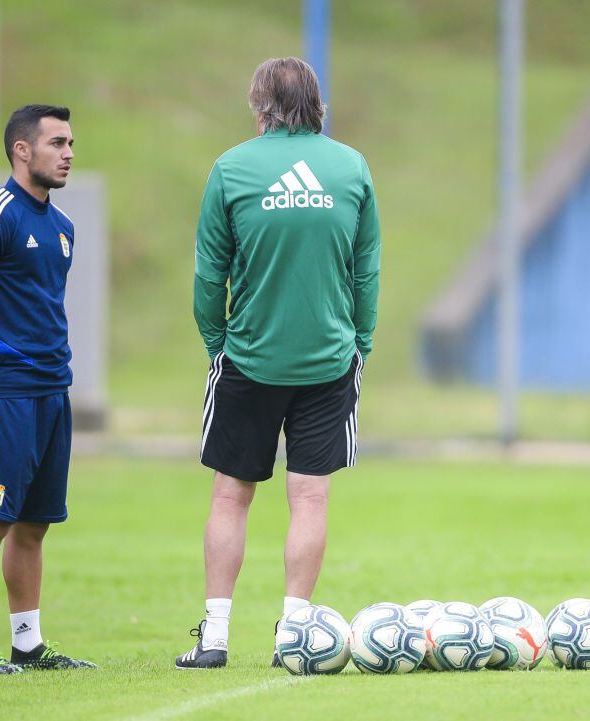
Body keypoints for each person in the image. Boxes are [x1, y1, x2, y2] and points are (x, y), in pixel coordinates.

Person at [176, 57, 381, 669]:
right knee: (309, 499)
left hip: (248, 360)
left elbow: (209, 272)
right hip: (328, 361)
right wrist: (359, 340)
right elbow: (365, 268)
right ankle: (294, 637)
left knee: (230, 497)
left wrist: (219, 343)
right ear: (316, 102)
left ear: (259, 104)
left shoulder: (232, 168)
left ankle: (214, 637)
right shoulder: (351, 166)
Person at [0, 104, 95, 674]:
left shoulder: (62, 228)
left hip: (54, 389)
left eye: (71, 142)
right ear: (22, 150)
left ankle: (28, 643)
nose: (68, 153)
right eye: (57, 142)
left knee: (34, 524)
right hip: (7, 393)